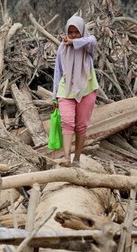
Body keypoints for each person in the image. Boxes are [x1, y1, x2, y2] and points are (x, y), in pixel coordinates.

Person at [52, 15, 99, 166]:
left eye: (76, 32)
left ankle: (77, 159)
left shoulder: (88, 46)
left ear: (81, 32)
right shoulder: (62, 48)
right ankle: (66, 158)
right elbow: (58, 72)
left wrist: (75, 42)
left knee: (81, 126)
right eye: (70, 32)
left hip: (87, 88)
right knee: (66, 122)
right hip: (66, 89)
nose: (72, 35)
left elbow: (92, 39)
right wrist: (54, 96)